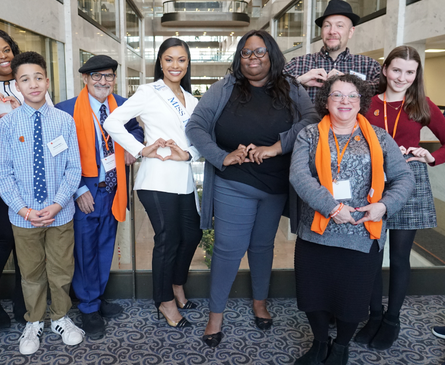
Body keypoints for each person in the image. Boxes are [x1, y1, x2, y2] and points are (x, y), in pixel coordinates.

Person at [185, 30, 319, 348]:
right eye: (246, 53)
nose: (253, 58)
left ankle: (260, 302)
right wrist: (222, 156)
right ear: (239, 58)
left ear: (271, 55)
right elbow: (195, 126)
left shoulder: (291, 87)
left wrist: (277, 146)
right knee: (228, 251)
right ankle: (215, 316)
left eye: (260, 52)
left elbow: (312, 120)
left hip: (275, 187)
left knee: (262, 248)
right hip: (235, 184)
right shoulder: (224, 88)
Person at [290, 74, 414, 365]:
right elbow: (298, 176)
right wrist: (332, 208)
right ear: (326, 100)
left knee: (352, 300)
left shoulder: (380, 137)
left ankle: (341, 346)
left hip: (361, 235)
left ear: (361, 102)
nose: (345, 101)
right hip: (316, 232)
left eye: (352, 96)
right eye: (337, 95)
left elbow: (404, 177)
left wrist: (384, 207)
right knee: (313, 296)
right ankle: (320, 342)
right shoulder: (309, 135)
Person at [104, 38, 202, 328]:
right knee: (168, 239)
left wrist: (187, 154)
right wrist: (139, 149)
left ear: (187, 64)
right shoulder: (149, 92)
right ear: (160, 62)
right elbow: (112, 122)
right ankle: (165, 300)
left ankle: (176, 284)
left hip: (182, 178)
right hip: (156, 179)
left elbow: (197, 139)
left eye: (181, 60)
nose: (175, 65)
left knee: (192, 235)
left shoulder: (192, 99)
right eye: (169, 59)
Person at [354, 46, 445, 350]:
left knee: (400, 257)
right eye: (396, 70)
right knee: (370, 255)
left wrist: (430, 158)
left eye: (409, 72)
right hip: (372, 182)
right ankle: (375, 316)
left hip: (410, 181)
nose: (401, 77)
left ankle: (392, 319)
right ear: (384, 70)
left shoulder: (421, 104)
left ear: (416, 75)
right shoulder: (367, 102)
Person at [0, 51, 83, 356]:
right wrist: (24, 210)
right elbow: (2, 173)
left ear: (47, 80)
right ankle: (33, 321)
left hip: (60, 213)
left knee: (61, 270)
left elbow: (74, 168)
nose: (33, 84)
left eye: (38, 77)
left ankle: (59, 317)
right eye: (25, 79)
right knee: (31, 273)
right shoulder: (7, 125)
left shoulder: (64, 121)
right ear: (16, 85)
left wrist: (57, 204)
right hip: (24, 217)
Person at [56, 55, 143, 339]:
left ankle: (97, 296)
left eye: (108, 76)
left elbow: (136, 129)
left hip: (113, 187)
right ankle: (88, 307)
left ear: (114, 78)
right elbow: (60, 156)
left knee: (106, 247)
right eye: (96, 76)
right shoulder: (66, 110)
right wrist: (78, 188)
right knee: (85, 250)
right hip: (85, 190)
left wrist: (133, 145)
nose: (102, 82)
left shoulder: (123, 104)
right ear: (85, 78)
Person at [0, 28, 53, 328]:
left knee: (27, 241)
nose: (3, 56)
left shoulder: (28, 81)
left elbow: (51, 122)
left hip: (33, 173)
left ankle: (25, 305)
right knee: (5, 236)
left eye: (6, 49)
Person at [284, 0, 381, 102]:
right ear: (321, 32)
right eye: (327, 25)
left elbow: (386, 86)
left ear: (350, 32)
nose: (332, 31)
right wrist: (298, 80)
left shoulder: (369, 65)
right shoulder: (298, 64)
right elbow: (270, 84)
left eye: (339, 26)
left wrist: (351, 82)